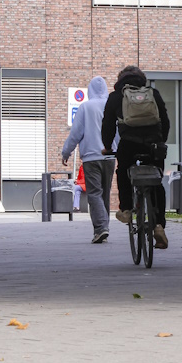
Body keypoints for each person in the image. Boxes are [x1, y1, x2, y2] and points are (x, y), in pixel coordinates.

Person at [100, 65, 171, 249]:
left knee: (123, 170)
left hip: (129, 143)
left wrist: (107, 147)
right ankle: (159, 225)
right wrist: (161, 141)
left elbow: (108, 124)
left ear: (120, 79)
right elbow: (165, 120)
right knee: (156, 181)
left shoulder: (116, 96)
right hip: (154, 144)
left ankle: (126, 209)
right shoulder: (153, 93)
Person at [60, 76, 115, 243]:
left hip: (91, 157)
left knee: (94, 194)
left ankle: (101, 228)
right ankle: (103, 227)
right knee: (104, 193)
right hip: (110, 156)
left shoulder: (85, 107)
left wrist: (66, 152)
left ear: (90, 90)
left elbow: (76, 133)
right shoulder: (111, 106)